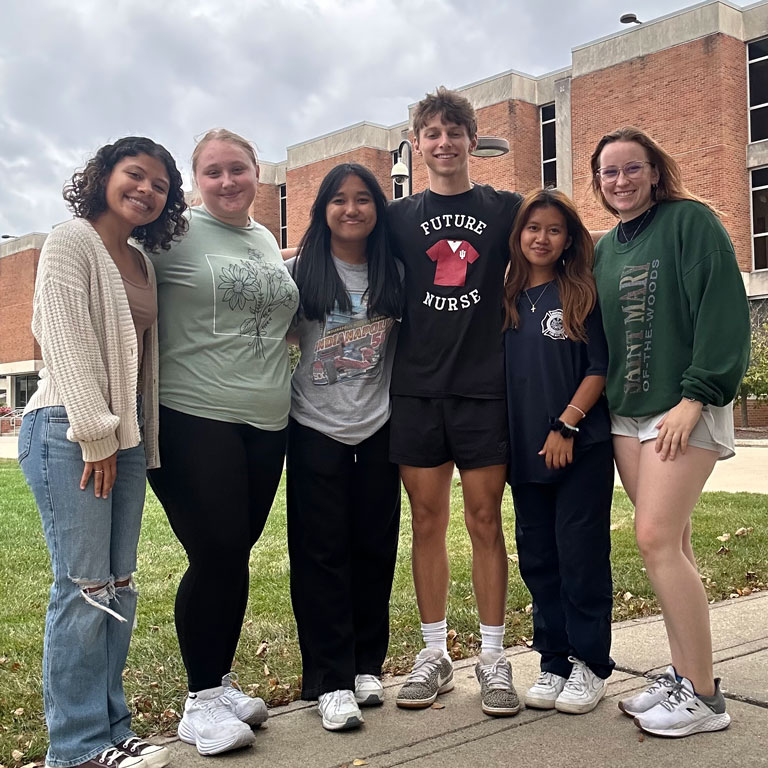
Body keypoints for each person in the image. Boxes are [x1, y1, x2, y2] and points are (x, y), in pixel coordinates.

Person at [18, 137, 187, 768]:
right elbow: (62, 337)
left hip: (127, 438)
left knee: (115, 586)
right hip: (71, 430)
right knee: (83, 588)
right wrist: (96, 432)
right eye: (134, 175)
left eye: (160, 186)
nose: (145, 190)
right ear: (104, 176)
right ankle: (77, 746)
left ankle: (114, 729)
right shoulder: (72, 241)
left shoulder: (141, 258)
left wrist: (128, 437)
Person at [591, 127, 750, 737]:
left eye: (633, 169)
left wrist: (697, 396)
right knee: (673, 546)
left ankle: (707, 699)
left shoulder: (692, 223)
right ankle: (686, 675)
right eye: (609, 172)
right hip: (626, 416)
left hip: (682, 407)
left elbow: (723, 311)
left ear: (655, 172)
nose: (621, 181)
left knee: (654, 539)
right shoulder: (607, 249)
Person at [147, 129, 299, 756]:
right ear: (195, 181)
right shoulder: (168, 234)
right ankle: (200, 699)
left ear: (257, 172)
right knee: (214, 550)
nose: (228, 181)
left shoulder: (264, 239)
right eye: (213, 172)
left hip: (266, 421)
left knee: (233, 551)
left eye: (238, 169)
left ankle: (221, 682)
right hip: (191, 414)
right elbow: (109, 288)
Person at [388, 87, 523, 716]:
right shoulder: (397, 217)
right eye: (431, 133)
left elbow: (561, 246)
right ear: (418, 144)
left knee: (486, 520)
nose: (443, 143)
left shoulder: (506, 210)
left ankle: (493, 659)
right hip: (415, 389)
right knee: (426, 522)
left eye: (454, 131)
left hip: (482, 388)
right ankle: (435, 653)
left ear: (474, 140)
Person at [285, 163, 403, 731]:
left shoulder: (395, 274)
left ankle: (364, 665)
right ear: (323, 210)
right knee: (320, 554)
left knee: (375, 549)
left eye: (363, 199)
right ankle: (328, 679)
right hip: (313, 429)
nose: (351, 209)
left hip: (378, 429)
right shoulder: (297, 274)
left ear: (378, 210)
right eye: (339, 200)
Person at [502, 188, 614, 716]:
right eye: (532, 228)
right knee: (539, 559)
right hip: (524, 454)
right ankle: (554, 661)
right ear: (518, 235)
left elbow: (598, 369)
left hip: (578, 448)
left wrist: (566, 426)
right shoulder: (505, 301)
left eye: (553, 229)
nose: (541, 238)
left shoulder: (580, 293)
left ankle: (591, 663)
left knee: (580, 556)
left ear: (569, 239)